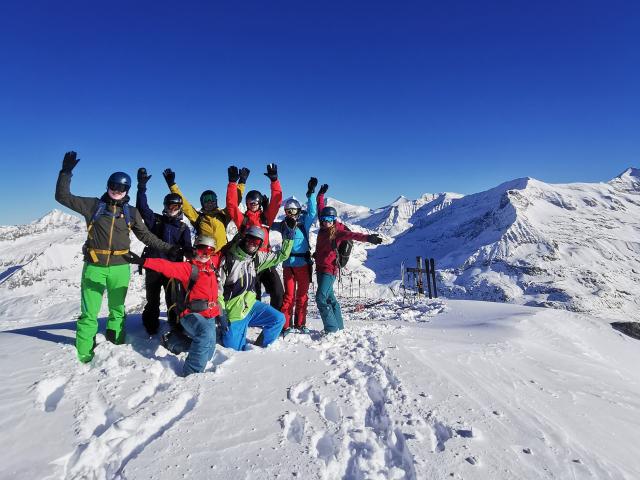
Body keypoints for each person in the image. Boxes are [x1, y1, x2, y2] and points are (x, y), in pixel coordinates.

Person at [55, 151, 178, 363]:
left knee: (117, 309)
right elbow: (63, 197)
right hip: (94, 265)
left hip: (121, 266)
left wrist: (169, 248)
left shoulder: (131, 212)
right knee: (89, 313)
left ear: (127, 190)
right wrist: (66, 173)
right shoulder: (93, 206)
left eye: (121, 187)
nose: (117, 190)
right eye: (113, 186)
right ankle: (83, 354)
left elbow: (146, 237)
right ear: (108, 186)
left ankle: (116, 342)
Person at [124, 236, 221, 376]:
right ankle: (192, 374)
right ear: (195, 250)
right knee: (204, 335)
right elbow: (165, 266)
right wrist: (143, 261)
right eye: (202, 250)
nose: (205, 255)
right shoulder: (188, 268)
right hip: (191, 314)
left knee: (208, 353)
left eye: (209, 251)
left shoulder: (212, 265)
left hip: (210, 314)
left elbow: (225, 251)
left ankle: (173, 341)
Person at [218, 224, 296, 351]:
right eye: (250, 238)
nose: (252, 243)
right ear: (245, 238)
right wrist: (221, 314)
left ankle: (259, 350)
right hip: (234, 313)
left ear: (260, 245)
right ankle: (225, 333)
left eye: (257, 241)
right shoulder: (229, 260)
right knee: (234, 349)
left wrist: (289, 238)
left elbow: (281, 256)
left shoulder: (257, 258)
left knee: (278, 319)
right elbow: (217, 290)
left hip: (251, 306)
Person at [136, 168, 193, 335]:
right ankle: (150, 324)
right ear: (165, 206)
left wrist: (192, 254)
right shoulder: (156, 221)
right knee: (152, 299)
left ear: (180, 207)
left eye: (175, 206)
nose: (172, 208)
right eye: (169, 205)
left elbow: (188, 247)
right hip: (153, 267)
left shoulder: (183, 228)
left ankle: (175, 324)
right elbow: (142, 207)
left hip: (172, 270)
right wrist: (141, 187)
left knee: (173, 299)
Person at [313, 205, 383, 334]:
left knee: (320, 298)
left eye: (329, 219)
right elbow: (320, 207)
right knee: (330, 298)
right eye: (324, 219)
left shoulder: (338, 232)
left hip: (330, 270)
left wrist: (368, 238)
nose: (326, 222)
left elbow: (354, 235)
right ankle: (339, 327)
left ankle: (331, 329)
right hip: (320, 268)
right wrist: (320, 195)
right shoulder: (322, 230)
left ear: (334, 219)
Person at [226, 164, 284, 310]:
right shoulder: (243, 220)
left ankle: (274, 319)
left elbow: (277, 201)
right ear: (246, 204)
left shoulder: (266, 218)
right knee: (253, 294)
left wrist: (274, 180)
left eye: (256, 202)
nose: (253, 205)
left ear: (260, 204)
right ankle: (251, 318)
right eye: (250, 203)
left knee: (277, 292)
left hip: (265, 259)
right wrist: (232, 183)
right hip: (249, 261)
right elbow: (232, 206)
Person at [272, 177, 319, 335]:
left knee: (302, 296)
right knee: (289, 296)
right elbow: (267, 223)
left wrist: (311, 194)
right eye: (287, 211)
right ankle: (286, 326)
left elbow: (313, 212)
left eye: (293, 211)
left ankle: (300, 324)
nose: (290, 214)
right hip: (288, 265)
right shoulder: (283, 224)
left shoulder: (303, 222)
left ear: (298, 211)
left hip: (303, 264)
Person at [161, 167, 247, 251]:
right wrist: (172, 185)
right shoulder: (198, 217)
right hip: (204, 255)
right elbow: (185, 204)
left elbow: (234, 202)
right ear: (202, 203)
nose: (209, 201)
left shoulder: (223, 215)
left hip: (221, 255)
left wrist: (241, 182)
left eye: (212, 198)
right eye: (206, 199)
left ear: (216, 201)